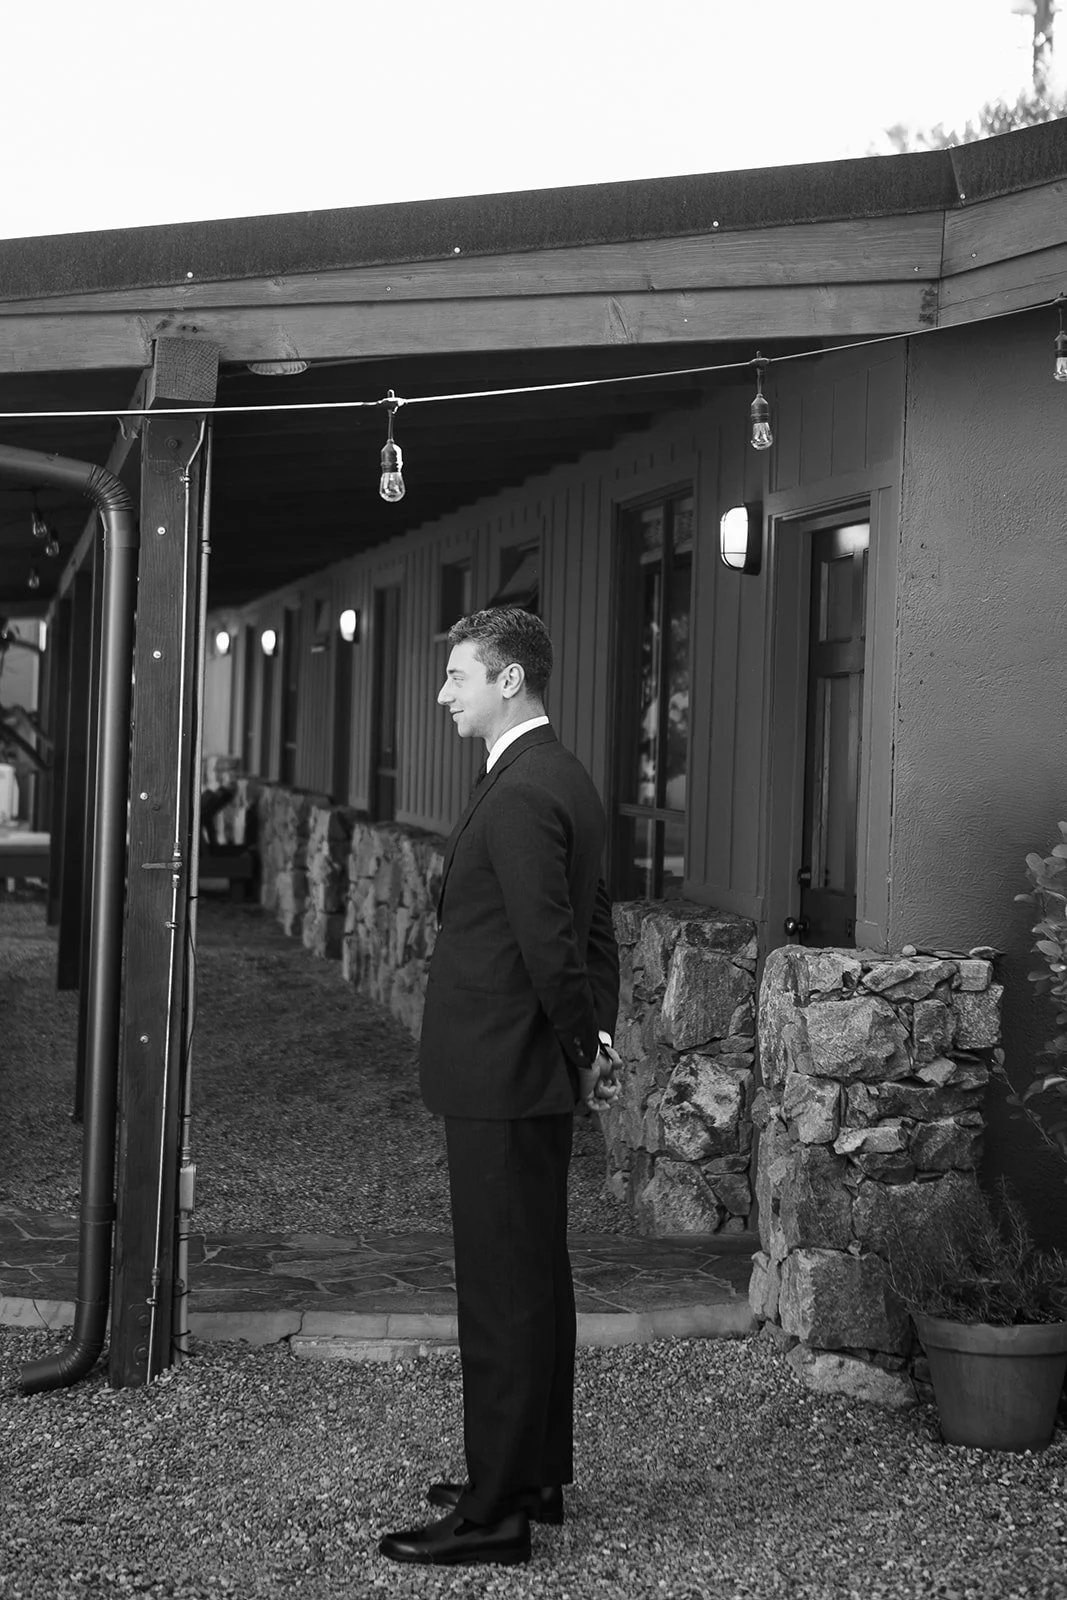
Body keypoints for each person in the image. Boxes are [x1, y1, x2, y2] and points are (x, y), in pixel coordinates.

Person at [378, 606, 620, 1568]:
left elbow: (552, 939)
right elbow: (593, 918)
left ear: (508, 680)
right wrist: (590, 1031)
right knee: (532, 1279)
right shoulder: (553, 773)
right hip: (523, 1067)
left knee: (501, 1293)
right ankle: (531, 1475)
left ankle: (494, 1516)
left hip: (505, 1069)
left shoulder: (524, 789)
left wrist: (573, 1037)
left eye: (458, 678)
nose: (445, 695)